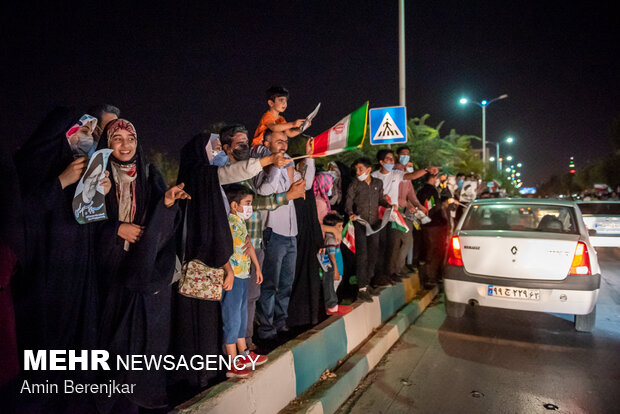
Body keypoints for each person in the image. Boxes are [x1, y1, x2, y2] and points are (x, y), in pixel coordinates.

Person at [11, 108, 111, 412]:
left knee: (76, 343)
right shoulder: (32, 164)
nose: (87, 138)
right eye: (81, 131)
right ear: (60, 132)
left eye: (91, 133)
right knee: (46, 345)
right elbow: (21, 214)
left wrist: (99, 192)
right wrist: (61, 182)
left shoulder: (78, 166)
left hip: (77, 270)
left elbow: (85, 219)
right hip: (43, 273)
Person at [94, 118, 188, 413]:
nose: (125, 145)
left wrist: (168, 203)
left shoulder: (149, 175)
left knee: (140, 341)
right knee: (110, 339)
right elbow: (77, 223)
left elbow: (163, 225)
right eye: (117, 139)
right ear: (107, 144)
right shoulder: (95, 175)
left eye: (130, 139)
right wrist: (115, 229)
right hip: (106, 271)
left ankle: (134, 400)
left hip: (140, 269)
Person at [169, 132, 233, 403]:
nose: (220, 151)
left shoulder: (194, 177)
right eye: (215, 147)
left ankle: (192, 376)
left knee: (189, 325)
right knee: (204, 325)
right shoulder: (204, 178)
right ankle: (202, 376)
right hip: (204, 268)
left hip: (189, 268)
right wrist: (225, 262)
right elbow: (215, 228)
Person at [255, 130, 315, 341]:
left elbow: (304, 183)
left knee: (286, 283)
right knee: (269, 283)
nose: (284, 146)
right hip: (273, 232)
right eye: (279, 141)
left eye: (286, 142)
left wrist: (309, 157)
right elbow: (263, 192)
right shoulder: (262, 165)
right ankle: (266, 328)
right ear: (267, 143)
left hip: (291, 233)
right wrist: (276, 169)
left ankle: (281, 323)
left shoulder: (289, 162)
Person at [221, 184, 268, 378]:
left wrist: (257, 267)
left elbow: (249, 246)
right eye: (247, 203)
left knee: (241, 317)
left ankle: (245, 354)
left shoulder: (240, 223)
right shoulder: (228, 224)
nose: (250, 207)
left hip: (243, 275)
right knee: (232, 319)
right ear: (234, 205)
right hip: (233, 278)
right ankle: (232, 363)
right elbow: (221, 249)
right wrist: (229, 272)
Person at [371, 149, 437, 286]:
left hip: (394, 216)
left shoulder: (397, 174)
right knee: (380, 246)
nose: (391, 162)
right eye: (388, 159)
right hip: (378, 217)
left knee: (393, 245)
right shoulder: (374, 176)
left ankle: (389, 273)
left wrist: (426, 169)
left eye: (392, 159)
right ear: (381, 162)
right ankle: (378, 276)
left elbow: (412, 176)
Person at [345, 157, 386, 302]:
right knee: (362, 256)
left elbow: (380, 200)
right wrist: (350, 213)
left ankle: (367, 283)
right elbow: (348, 202)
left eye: (360, 169)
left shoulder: (378, 183)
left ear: (369, 170)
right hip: (360, 224)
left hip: (374, 225)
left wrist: (389, 205)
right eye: (356, 169)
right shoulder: (355, 184)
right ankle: (361, 288)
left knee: (373, 255)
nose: (357, 172)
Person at [416, 173, 450, 289]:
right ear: (433, 178)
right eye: (436, 178)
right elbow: (435, 208)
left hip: (426, 225)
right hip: (434, 225)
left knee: (428, 251)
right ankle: (430, 279)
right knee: (433, 252)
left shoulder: (420, 191)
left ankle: (429, 278)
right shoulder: (432, 191)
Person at [321, 213, 352, 316]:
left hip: (338, 269)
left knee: (334, 289)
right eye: (339, 226)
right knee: (331, 289)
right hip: (335, 271)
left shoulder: (334, 238)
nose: (341, 228)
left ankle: (333, 306)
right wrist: (335, 272)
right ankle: (331, 307)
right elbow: (332, 257)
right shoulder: (330, 240)